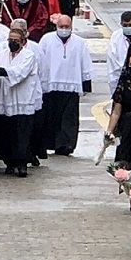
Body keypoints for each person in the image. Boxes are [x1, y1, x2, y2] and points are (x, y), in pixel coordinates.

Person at [0, 22, 41, 177]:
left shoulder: (29, 56)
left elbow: (20, 72)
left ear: (23, 42)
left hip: (22, 99)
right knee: (6, 133)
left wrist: (0, 71)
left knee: (21, 134)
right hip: (6, 98)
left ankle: (22, 163)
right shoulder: (2, 55)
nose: (12, 42)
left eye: (16, 40)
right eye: (10, 40)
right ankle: (9, 162)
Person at [37, 15, 93, 155]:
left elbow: (85, 62)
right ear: (56, 26)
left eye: (66, 27)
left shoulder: (79, 43)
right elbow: (40, 60)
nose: (64, 29)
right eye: (61, 26)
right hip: (51, 85)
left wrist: (86, 82)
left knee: (69, 117)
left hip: (72, 85)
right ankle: (50, 143)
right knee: (51, 116)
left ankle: (66, 144)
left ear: (71, 27)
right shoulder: (46, 40)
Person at [105, 11, 131, 90]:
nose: (128, 27)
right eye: (125, 25)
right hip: (120, 75)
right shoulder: (115, 36)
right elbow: (112, 58)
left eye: (130, 25)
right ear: (121, 24)